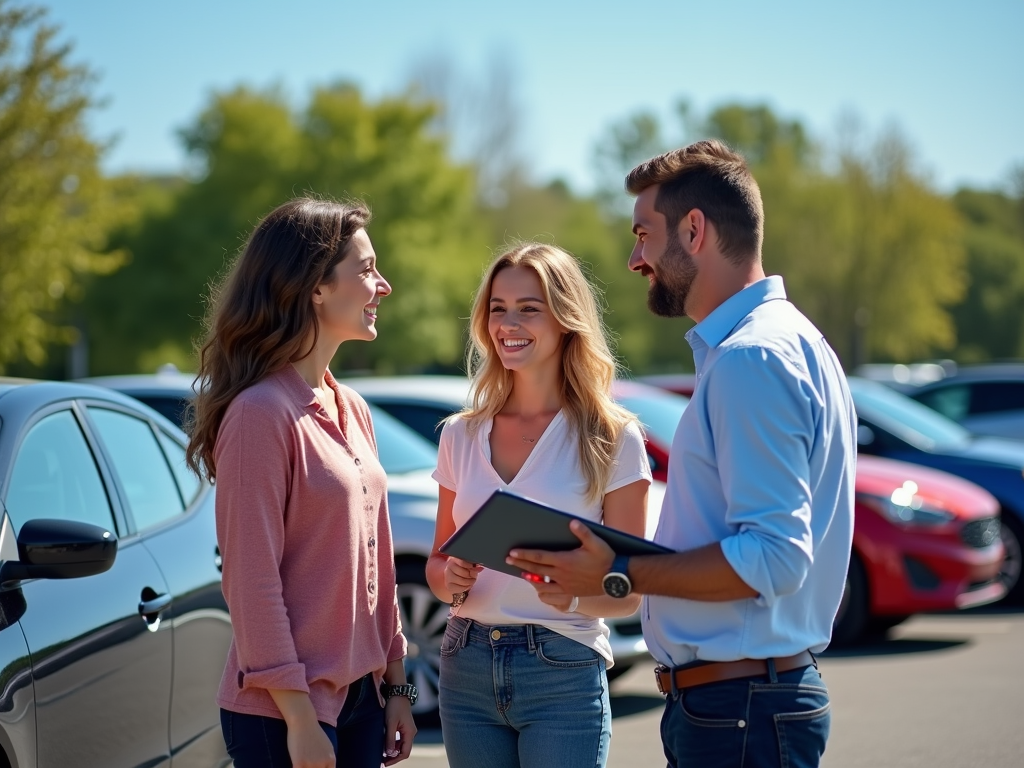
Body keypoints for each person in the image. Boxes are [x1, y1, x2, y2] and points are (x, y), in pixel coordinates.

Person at [507, 140, 857, 768]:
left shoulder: (752, 357)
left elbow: (776, 558)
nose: (635, 257)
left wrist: (618, 572)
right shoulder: (791, 341)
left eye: (644, 234)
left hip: (739, 710)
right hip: (746, 703)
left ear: (694, 230)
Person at [185, 197, 417, 768]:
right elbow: (251, 581)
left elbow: (379, 566)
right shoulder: (259, 414)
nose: (382, 285)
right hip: (284, 716)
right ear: (315, 287)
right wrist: (299, 719)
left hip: (363, 702)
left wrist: (396, 687)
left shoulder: (353, 408)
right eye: (365, 269)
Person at [425, 243, 653, 768]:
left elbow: (627, 595)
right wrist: (449, 577)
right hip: (465, 663)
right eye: (498, 308)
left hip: (563, 668)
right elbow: (439, 566)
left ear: (566, 319)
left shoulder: (613, 438)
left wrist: (569, 596)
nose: (509, 322)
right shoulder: (461, 434)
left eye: (529, 308)